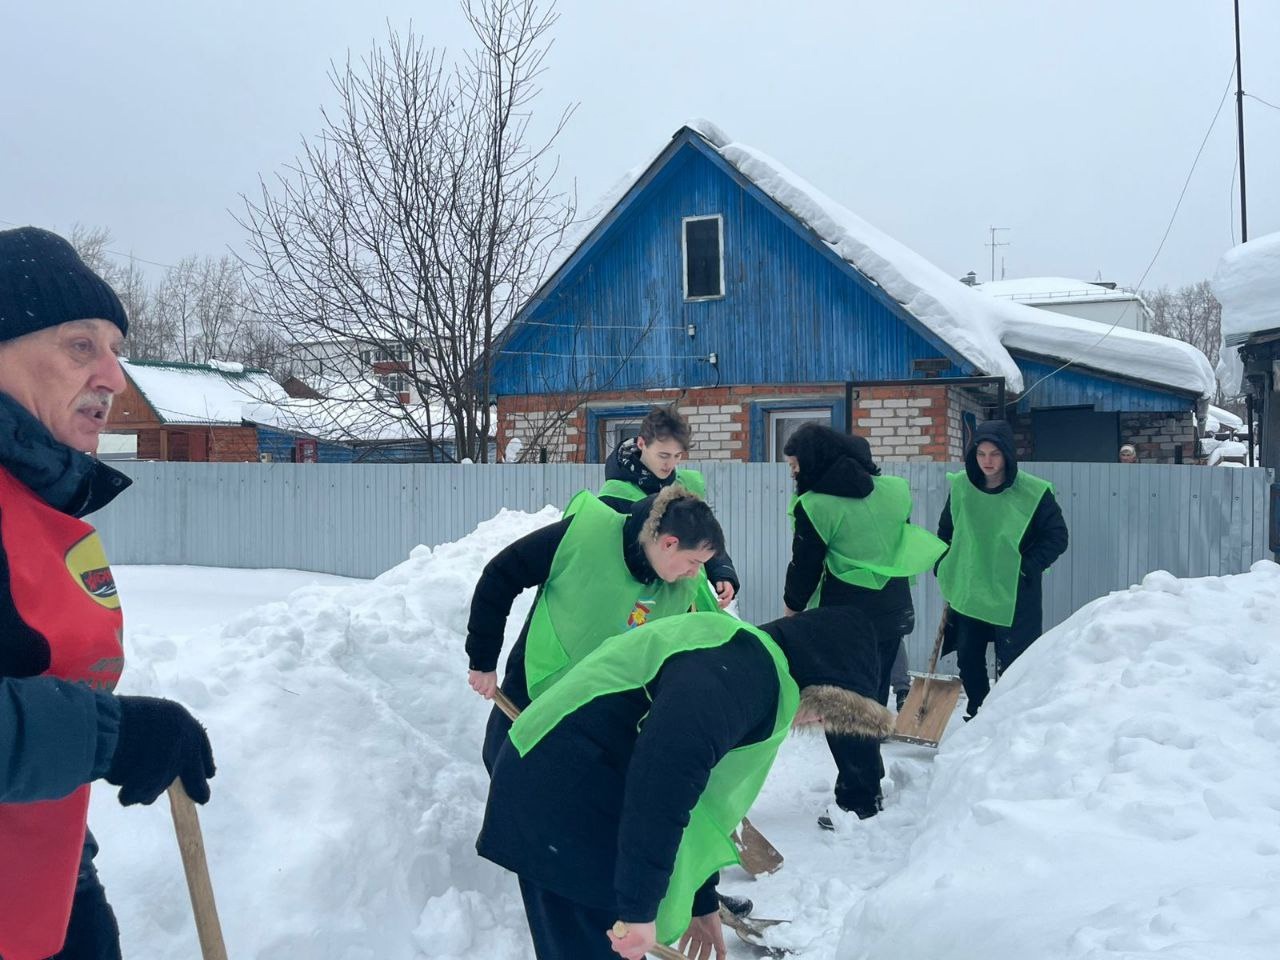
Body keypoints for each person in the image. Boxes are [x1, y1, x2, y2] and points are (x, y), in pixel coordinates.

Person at [0, 226, 216, 960]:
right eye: (80, 345)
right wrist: (109, 736)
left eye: (115, 350)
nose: (115, 378)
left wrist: (76, 887)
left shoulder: (38, 505)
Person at [476, 607, 891, 960]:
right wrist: (639, 908)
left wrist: (700, 899)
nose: (816, 722)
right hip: (561, 798)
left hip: (577, 787)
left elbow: (697, 796)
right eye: (824, 712)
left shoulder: (738, 653)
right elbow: (664, 775)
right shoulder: (747, 676)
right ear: (819, 685)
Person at [466, 484, 724, 770]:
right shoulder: (583, 537)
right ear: (669, 543)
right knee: (505, 764)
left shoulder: (681, 590)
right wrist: (482, 659)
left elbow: (681, 657)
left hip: (600, 710)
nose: (694, 573)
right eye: (693, 562)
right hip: (538, 681)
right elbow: (501, 575)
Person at [781, 423, 946, 825]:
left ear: (815, 461)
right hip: (892, 611)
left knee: (842, 707)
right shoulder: (894, 490)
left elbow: (805, 566)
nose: (793, 473)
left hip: (845, 620)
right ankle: (867, 784)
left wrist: (793, 609)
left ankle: (858, 799)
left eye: (796, 465)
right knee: (870, 699)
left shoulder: (816, 505)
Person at [936, 419, 1069, 719]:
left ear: (1007, 454)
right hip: (971, 587)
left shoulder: (1033, 492)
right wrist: (944, 564)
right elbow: (946, 530)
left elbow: (1057, 537)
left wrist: (1025, 568)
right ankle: (978, 712)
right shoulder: (962, 487)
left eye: (994, 454)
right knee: (968, 657)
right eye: (981, 454)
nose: (987, 461)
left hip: (1013, 592)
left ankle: (1006, 718)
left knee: (1013, 662)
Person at [597, 406, 739, 611]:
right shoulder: (614, 495)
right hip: (646, 606)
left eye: (677, 456)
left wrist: (722, 570)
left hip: (693, 598)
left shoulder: (685, 484)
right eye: (663, 455)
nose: (670, 464)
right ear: (641, 443)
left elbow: (703, 536)